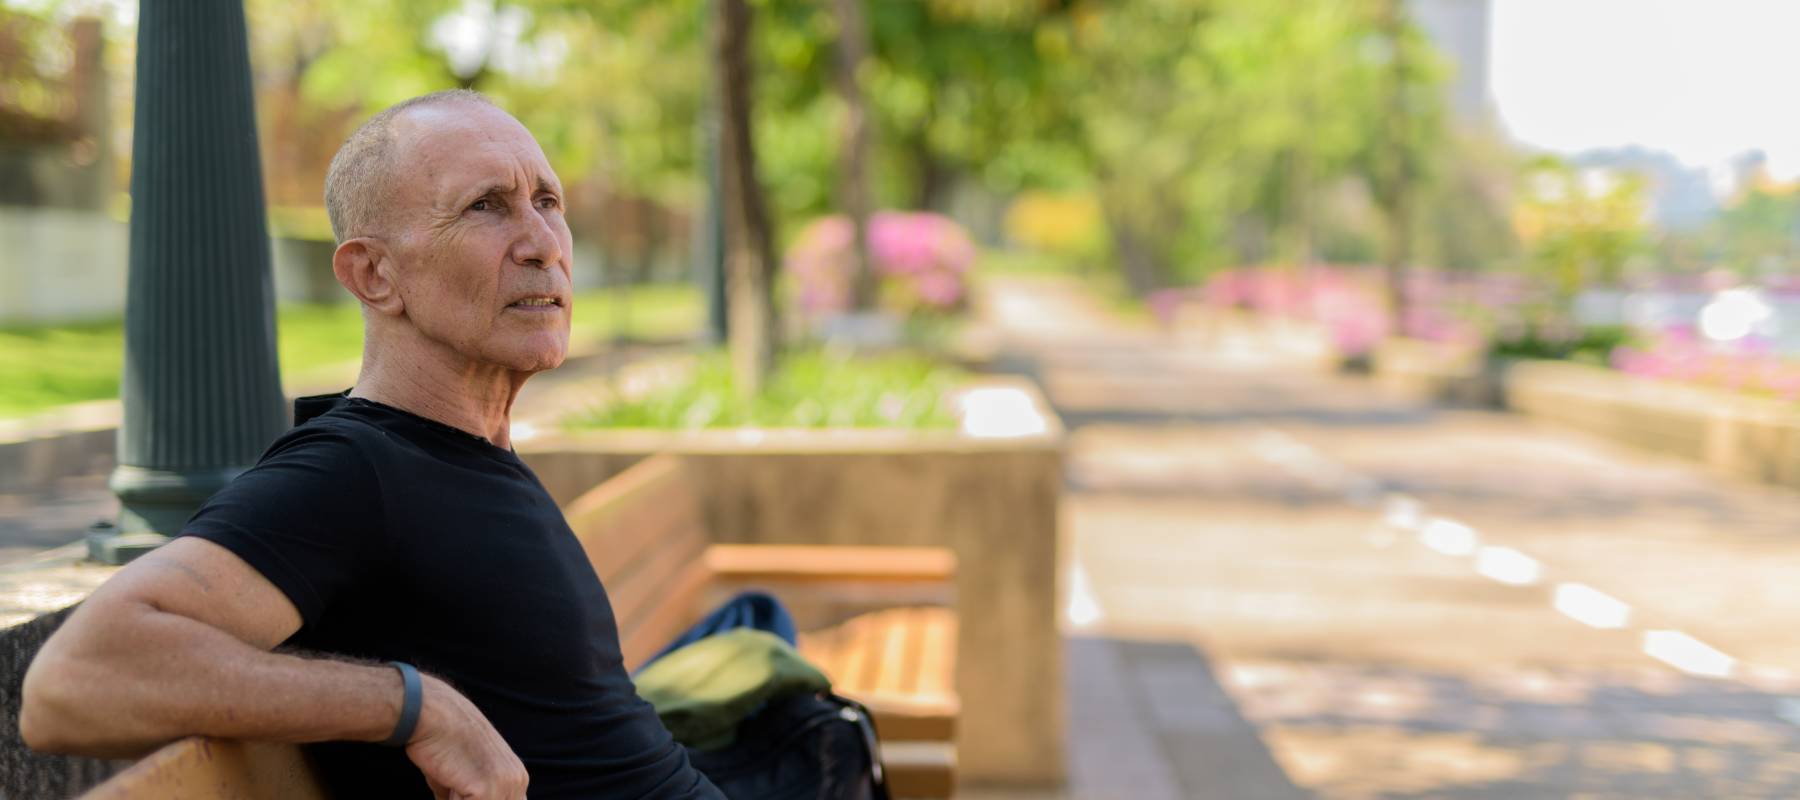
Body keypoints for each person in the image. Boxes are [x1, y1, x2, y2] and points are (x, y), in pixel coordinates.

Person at [19, 90, 741, 799]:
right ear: (374, 274)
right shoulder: (353, 471)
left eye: (548, 202)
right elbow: (73, 680)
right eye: (485, 206)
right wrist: (413, 705)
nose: (543, 244)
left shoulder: (465, 451)